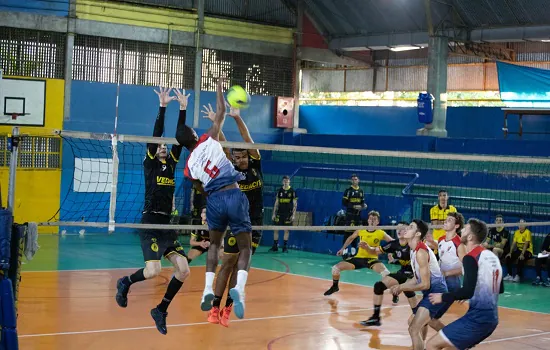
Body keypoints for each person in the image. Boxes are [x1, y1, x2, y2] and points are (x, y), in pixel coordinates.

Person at [115, 87, 191, 335]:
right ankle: (125, 282)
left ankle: (161, 310)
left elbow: (180, 137)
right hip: (149, 223)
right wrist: (162, 106)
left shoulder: (172, 163)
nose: (161, 147)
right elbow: (157, 133)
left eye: (163, 146)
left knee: (184, 269)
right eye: (158, 145)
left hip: (167, 225)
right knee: (153, 271)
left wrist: (182, 109)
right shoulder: (150, 163)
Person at [180, 78, 252, 320]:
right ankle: (239, 289)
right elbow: (220, 111)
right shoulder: (207, 139)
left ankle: (206, 291)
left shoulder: (188, 167)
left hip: (213, 201)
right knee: (245, 247)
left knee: (213, 245)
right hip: (232, 194)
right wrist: (220, 88)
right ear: (193, 134)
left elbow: (199, 187)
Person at [200, 102, 263, 326]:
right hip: (236, 221)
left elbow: (248, 140)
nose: (240, 159)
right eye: (237, 157)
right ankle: (214, 307)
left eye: (243, 156)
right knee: (227, 262)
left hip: (255, 222)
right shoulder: (231, 170)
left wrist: (236, 117)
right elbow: (224, 147)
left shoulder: (255, 164)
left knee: (241, 265)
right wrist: (215, 122)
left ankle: (227, 308)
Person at [426, 218, 504, 350]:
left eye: (465, 229)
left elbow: (468, 291)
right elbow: (499, 288)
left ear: (470, 237)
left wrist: (442, 297)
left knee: (431, 345)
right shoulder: (490, 256)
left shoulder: (470, 258)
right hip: (491, 319)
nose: (462, 230)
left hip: (477, 319)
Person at [389, 219, 448, 350]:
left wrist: (401, 287)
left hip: (436, 291)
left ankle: (454, 339)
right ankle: (453, 339)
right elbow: (417, 279)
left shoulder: (421, 252)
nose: (406, 229)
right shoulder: (413, 250)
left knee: (414, 328)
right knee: (416, 323)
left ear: (417, 234)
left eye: (410, 227)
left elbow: (425, 284)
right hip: (431, 291)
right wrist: (401, 286)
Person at [359, 221, 418, 327]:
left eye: (403, 228)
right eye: (398, 228)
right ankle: (376, 318)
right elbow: (375, 251)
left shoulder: (414, 243)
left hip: (414, 275)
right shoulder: (393, 244)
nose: (399, 230)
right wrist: (367, 248)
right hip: (402, 273)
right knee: (378, 286)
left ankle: (420, 318)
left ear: (408, 230)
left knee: (415, 307)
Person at [324, 211, 392, 296]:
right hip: (358, 258)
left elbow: (392, 242)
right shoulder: (361, 230)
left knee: (386, 273)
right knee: (335, 268)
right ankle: (335, 287)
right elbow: (351, 238)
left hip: (372, 259)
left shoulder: (381, 233)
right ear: (368, 220)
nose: (372, 221)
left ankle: (395, 293)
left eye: (374, 219)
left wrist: (390, 253)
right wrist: (342, 249)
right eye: (370, 219)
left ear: (378, 222)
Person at [430, 212, 466, 331]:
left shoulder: (459, 244)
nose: (445, 221)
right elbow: (442, 247)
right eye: (446, 219)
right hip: (441, 282)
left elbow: (465, 268)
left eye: (450, 220)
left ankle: (452, 341)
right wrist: (431, 241)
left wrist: (446, 273)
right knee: (427, 318)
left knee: (430, 317)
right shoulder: (441, 239)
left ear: (456, 226)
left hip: (451, 284)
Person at [269, 175, 298, 252]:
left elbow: (295, 204)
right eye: (284, 181)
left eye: (287, 181)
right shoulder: (279, 191)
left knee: (286, 230)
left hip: (288, 214)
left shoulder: (292, 191)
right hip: (279, 213)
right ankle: (275, 246)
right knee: (275, 229)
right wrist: (273, 214)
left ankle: (284, 247)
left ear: (289, 182)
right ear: (282, 182)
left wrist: (293, 215)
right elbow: (276, 203)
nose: (286, 182)